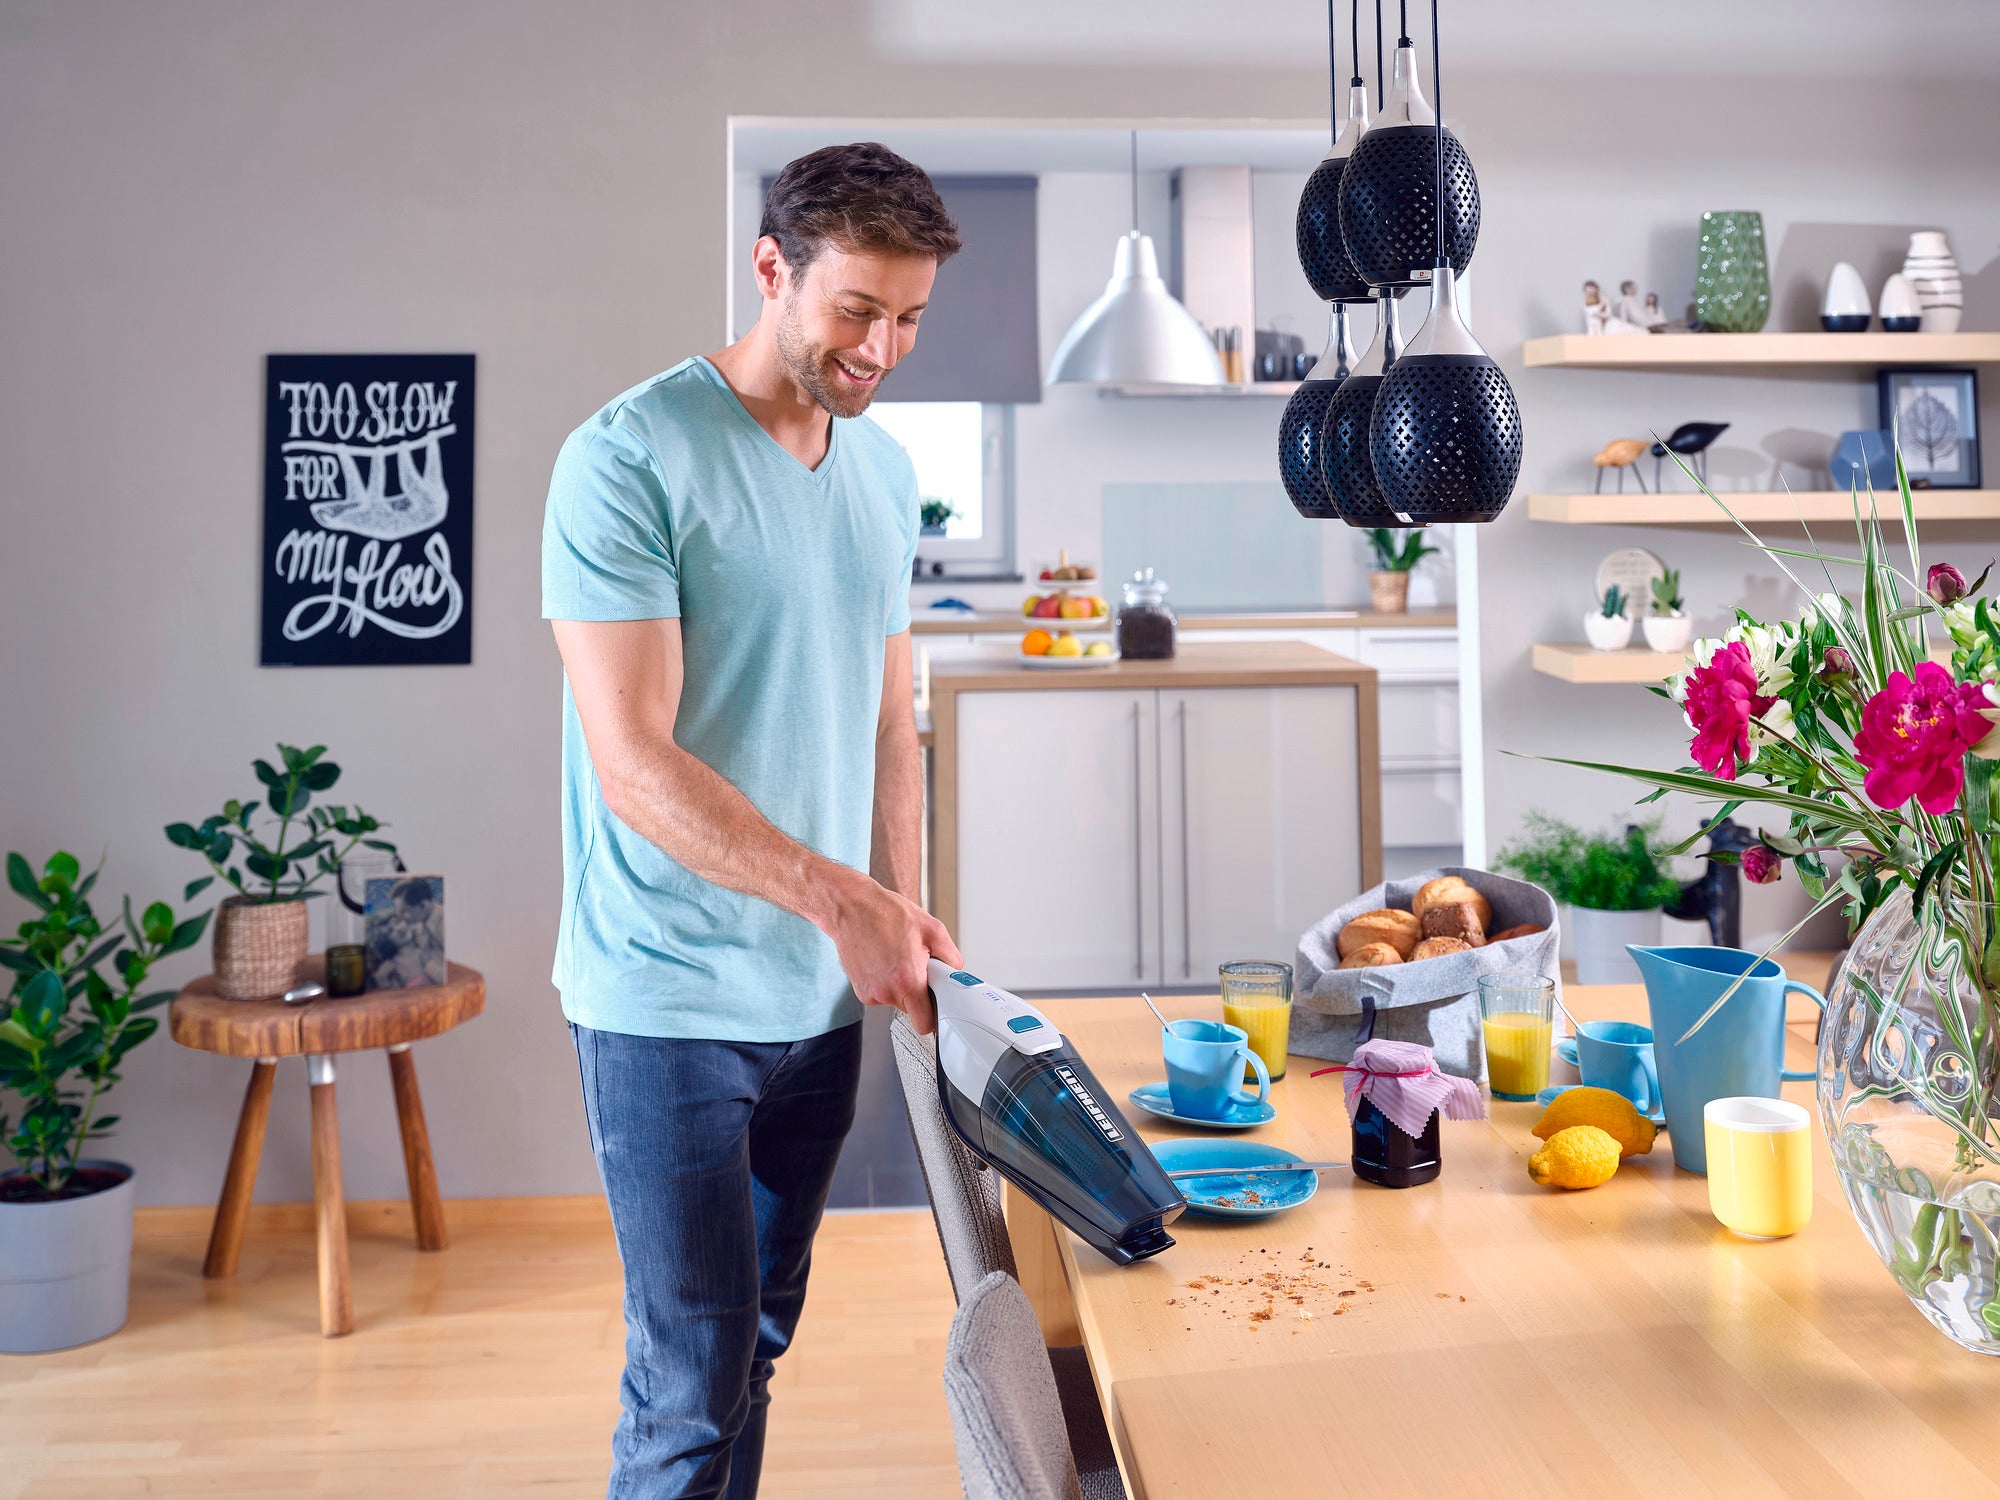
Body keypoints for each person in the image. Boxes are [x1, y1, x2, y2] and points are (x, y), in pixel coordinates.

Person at [541, 142, 965, 1499]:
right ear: (772, 267)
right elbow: (634, 764)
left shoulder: (884, 476)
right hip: (666, 997)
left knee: (751, 1352)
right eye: (857, 310)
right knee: (686, 1381)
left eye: (908, 318)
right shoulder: (628, 457)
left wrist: (909, 907)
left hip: (821, 1003)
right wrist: (844, 900)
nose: (883, 348)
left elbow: (885, 722)